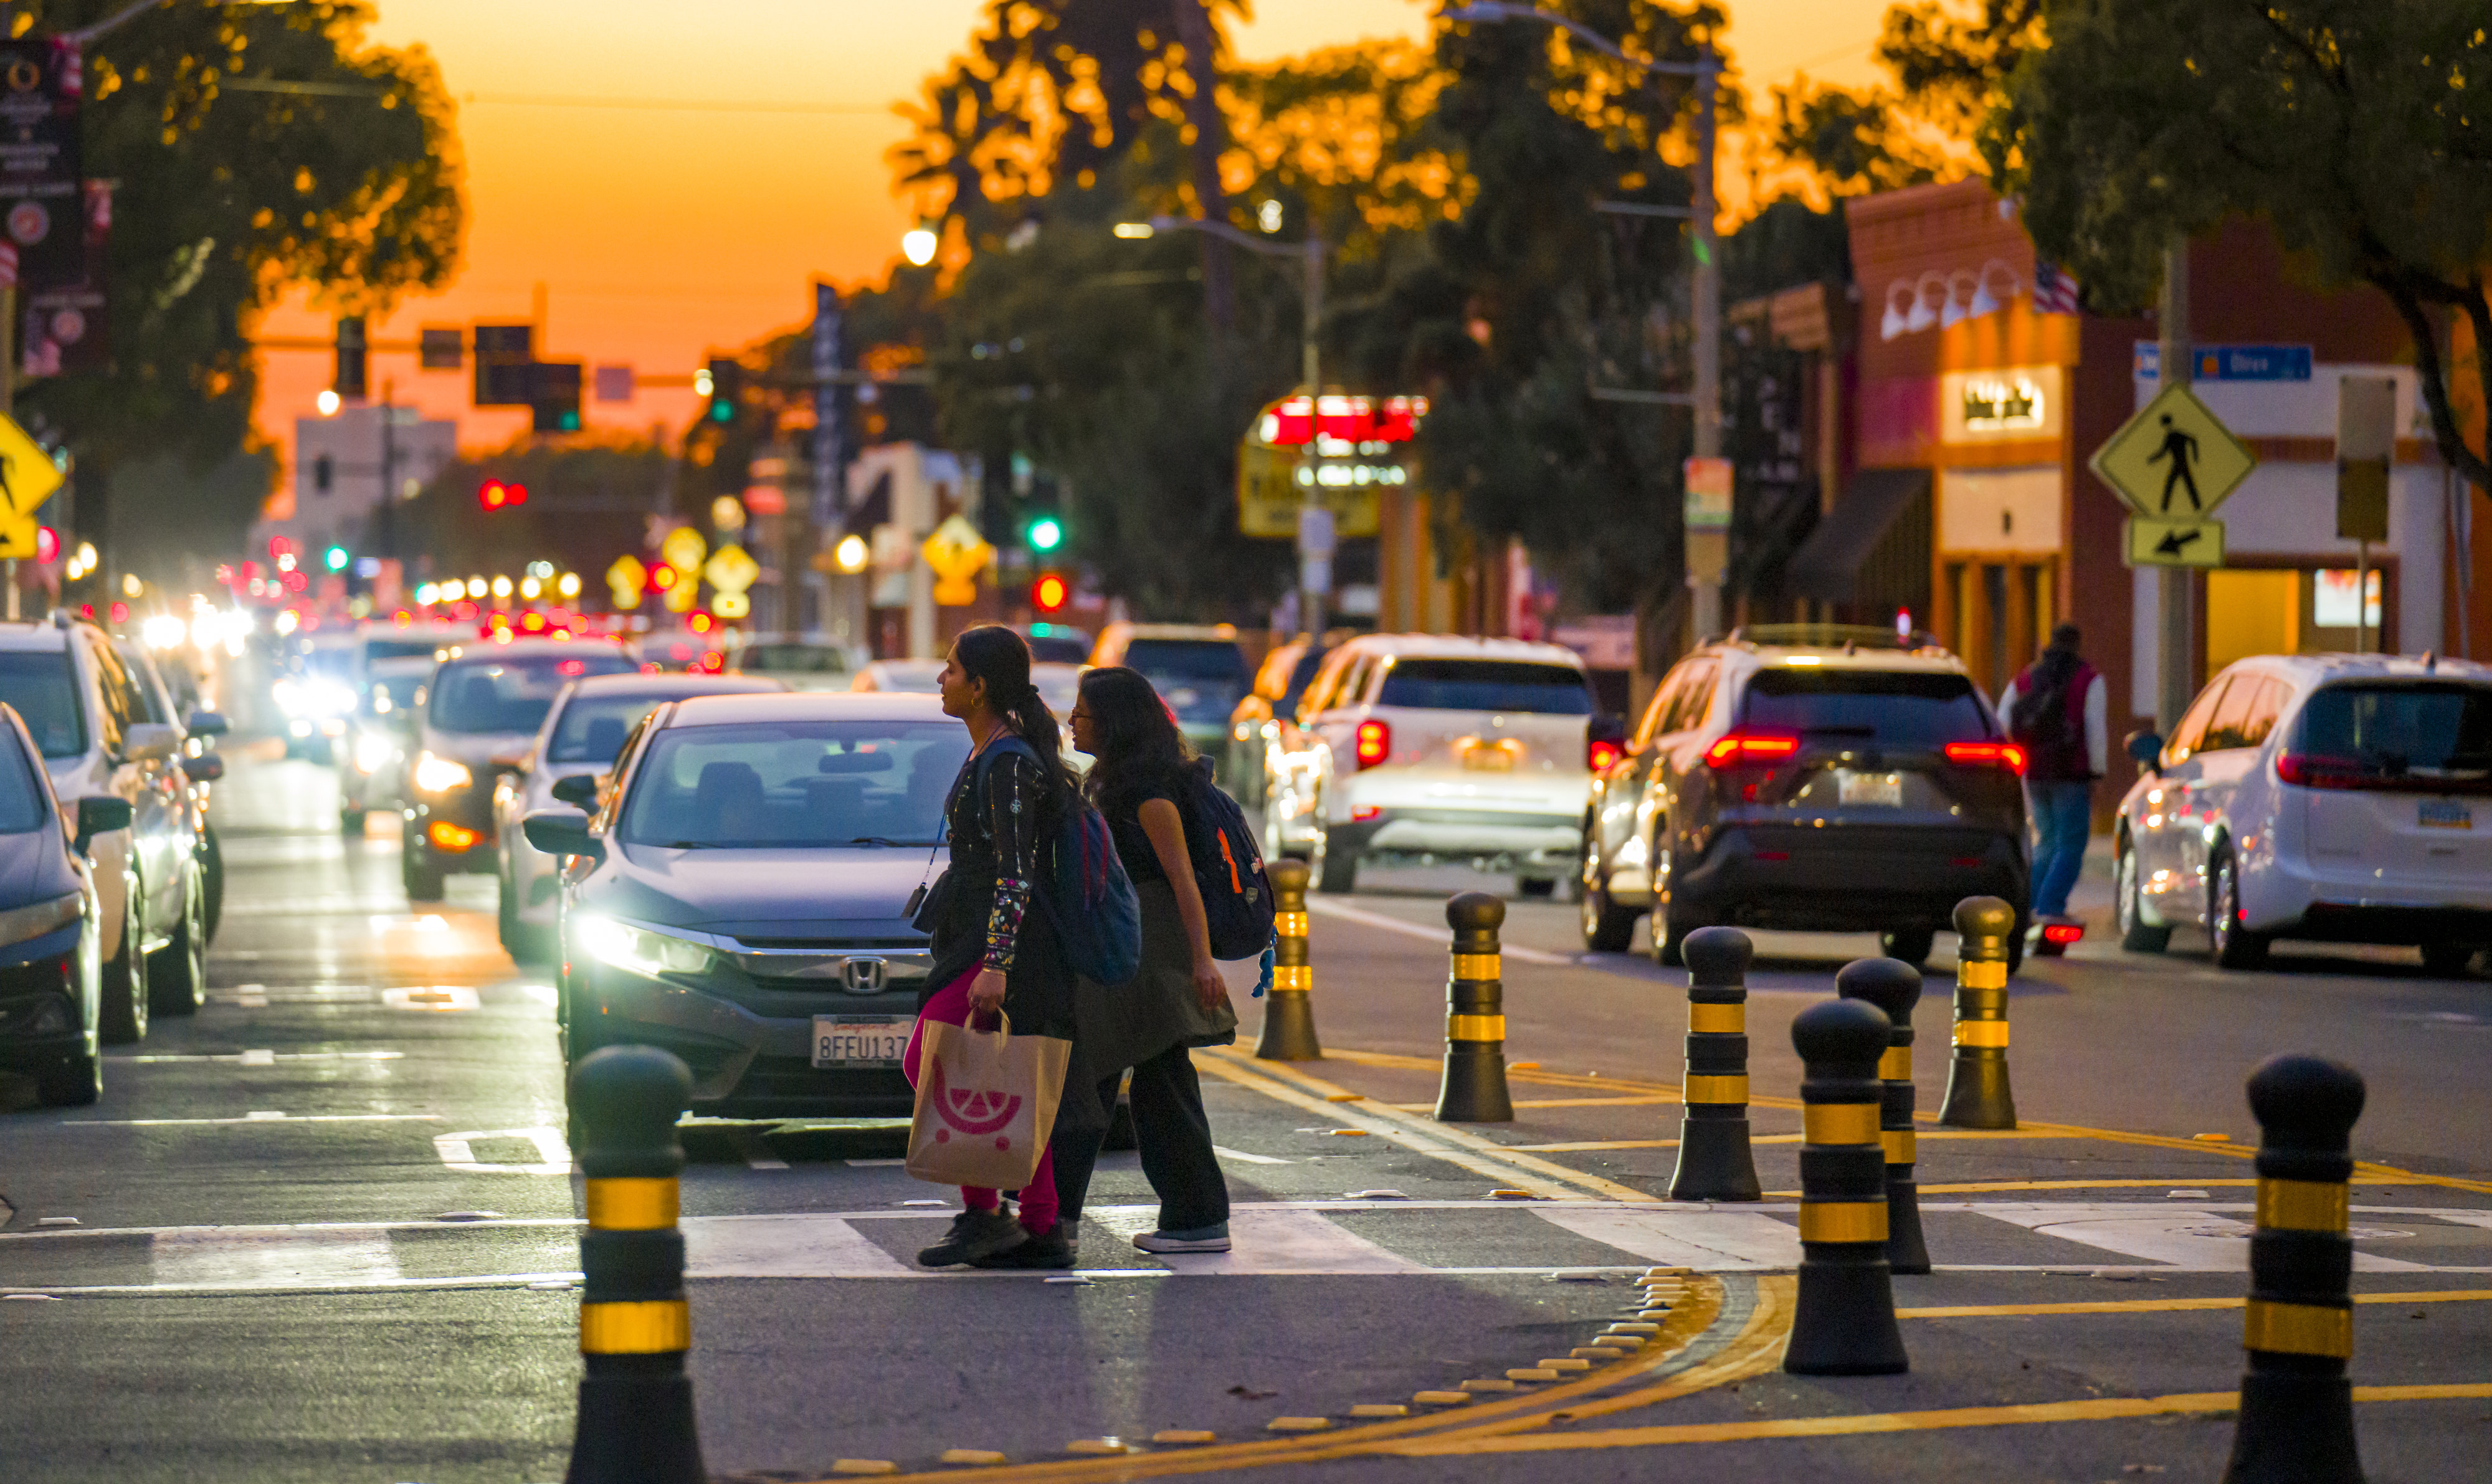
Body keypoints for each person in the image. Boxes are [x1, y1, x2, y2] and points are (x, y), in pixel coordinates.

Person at [908, 625, 1085, 1270]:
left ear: (979, 686)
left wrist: (996, 964)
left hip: (1002, 942)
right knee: (972, 1072)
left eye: (951, 670)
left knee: (937, 1062)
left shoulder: (1008, 762)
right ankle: (1032, 1226)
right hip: (976, 936)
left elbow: (1018, 872)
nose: (941, 679)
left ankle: (992, 1215)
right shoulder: (991, 750)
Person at [1050, 665, 1238, 1254]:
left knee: (1132, 1083)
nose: (1071, 722)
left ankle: (1192, 1218)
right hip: (1127, 949)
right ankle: (1064, 1215)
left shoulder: (1151, 794)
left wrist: (1203, 963)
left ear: (1112, 722)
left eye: (1081, 712)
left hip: (1153, 955)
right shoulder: (1107, 783)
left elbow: (1184, 883)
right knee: (1130, 1083)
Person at [1999, 622, 2108, 924]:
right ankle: (2050, 906)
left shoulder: (2025, 677)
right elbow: (2095, 728)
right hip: (2071, 774)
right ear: (2078, 644)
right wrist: (2097, 773)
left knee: (2046, 840)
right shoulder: (2089, 679)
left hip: (2035, 773)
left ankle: (2028, 907)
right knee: (2071, 843)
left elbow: (2002, 719)